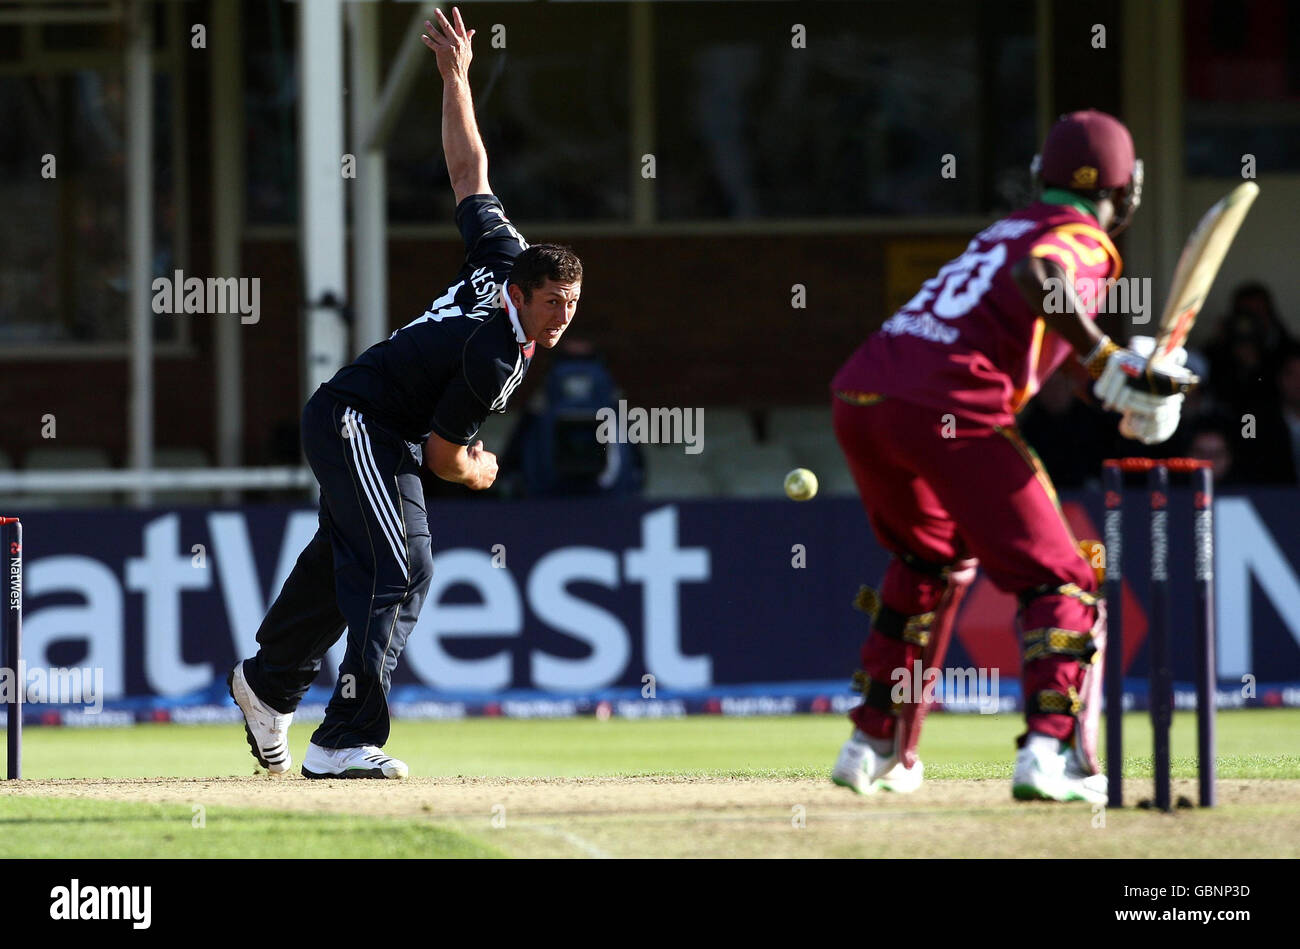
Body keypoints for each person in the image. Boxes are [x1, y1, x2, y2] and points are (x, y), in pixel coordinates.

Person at [228, 8, 583, 779]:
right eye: (553, 304)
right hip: (357, 419)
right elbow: (444, 454)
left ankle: (266, 683)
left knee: (347, 557)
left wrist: (455, 80)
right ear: (523, 294)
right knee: (403, 564)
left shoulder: (504, 252)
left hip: (370, 425)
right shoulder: (496, 353)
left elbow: (469, 174)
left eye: (573, 306)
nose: (562, 319)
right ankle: (343, 738)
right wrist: (483, 471)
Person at [828, 110, 1193, 803]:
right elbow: (1042, 275)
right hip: (949, 409)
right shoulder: (1080, 239)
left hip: (863, 394)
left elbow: (1030, 327)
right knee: (1064, 577)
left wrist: (1125, 387)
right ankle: (1050, 754)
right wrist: (1107, 355)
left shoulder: (1002, 229)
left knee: (926, 562)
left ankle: (873, 743)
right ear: (1128, 188)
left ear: (1039, 176)